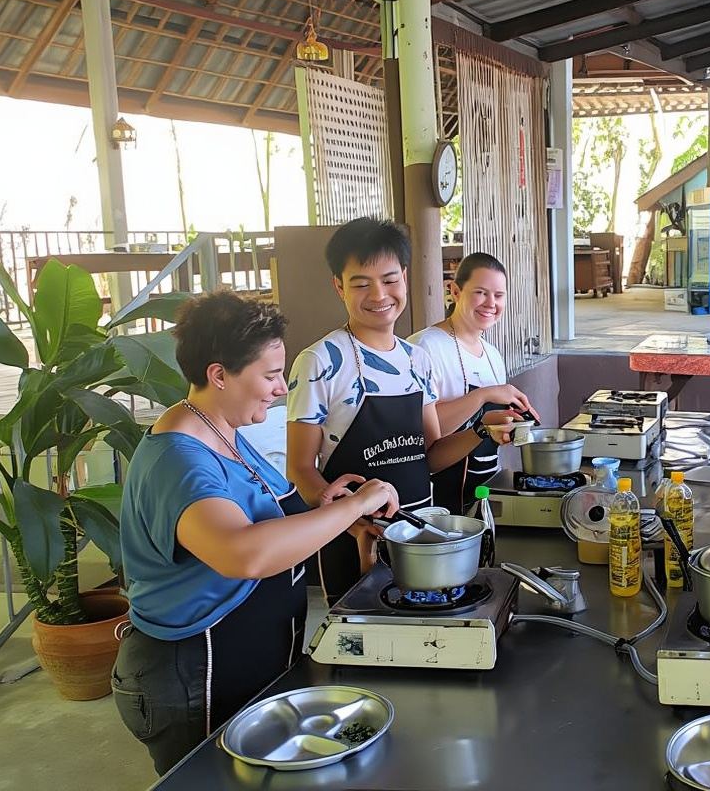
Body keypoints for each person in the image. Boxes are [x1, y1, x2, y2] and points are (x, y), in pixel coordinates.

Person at [112, 292, 398, 774]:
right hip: (194, 677)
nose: (281, 388)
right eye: (269, 376)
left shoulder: (224, 430)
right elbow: (242, 553)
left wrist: (329, 512)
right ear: (219, 374)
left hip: (250, 666)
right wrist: (357, 504)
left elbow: (263, 521)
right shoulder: (178, 461)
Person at [286, 218, 518, 602]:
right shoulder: (320, 361)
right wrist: (350, 517)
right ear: (338, 286)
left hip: (419, 533)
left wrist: (481, 432)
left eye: (390, 279)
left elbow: (430, 456)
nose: (379, 294)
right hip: (356, 538)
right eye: (361, 283)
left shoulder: (417, 360)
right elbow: (300, 469)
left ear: (405, 278)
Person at [409, 252, 539, 514]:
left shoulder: (491, 354)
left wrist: (509, 426)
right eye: (480, 292)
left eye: (499, 295)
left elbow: (484, 428)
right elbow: (422, 434)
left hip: (482, 493)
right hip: (436, 501)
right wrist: (484, 395)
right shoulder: (425, 347)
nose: (491, 303)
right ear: (455, 291)